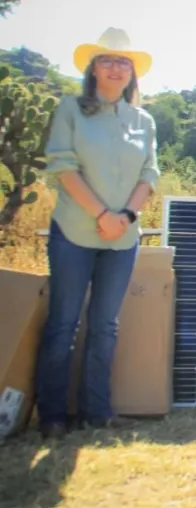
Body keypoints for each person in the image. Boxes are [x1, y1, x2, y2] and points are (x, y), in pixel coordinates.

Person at [34, 28, 159, 439]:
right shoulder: (71, 109)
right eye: (107, 60)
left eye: (124, 62)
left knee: (105, 325)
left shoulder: (143, 120)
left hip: (122, 238)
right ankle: (52, 415)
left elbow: (149, 174)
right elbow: (63, 166)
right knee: (63, 323)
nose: (116, 67)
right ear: (93, 68)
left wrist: (125, 215)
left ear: (132, 74)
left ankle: (97, 412)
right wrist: (102, 214)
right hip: (74, 232)